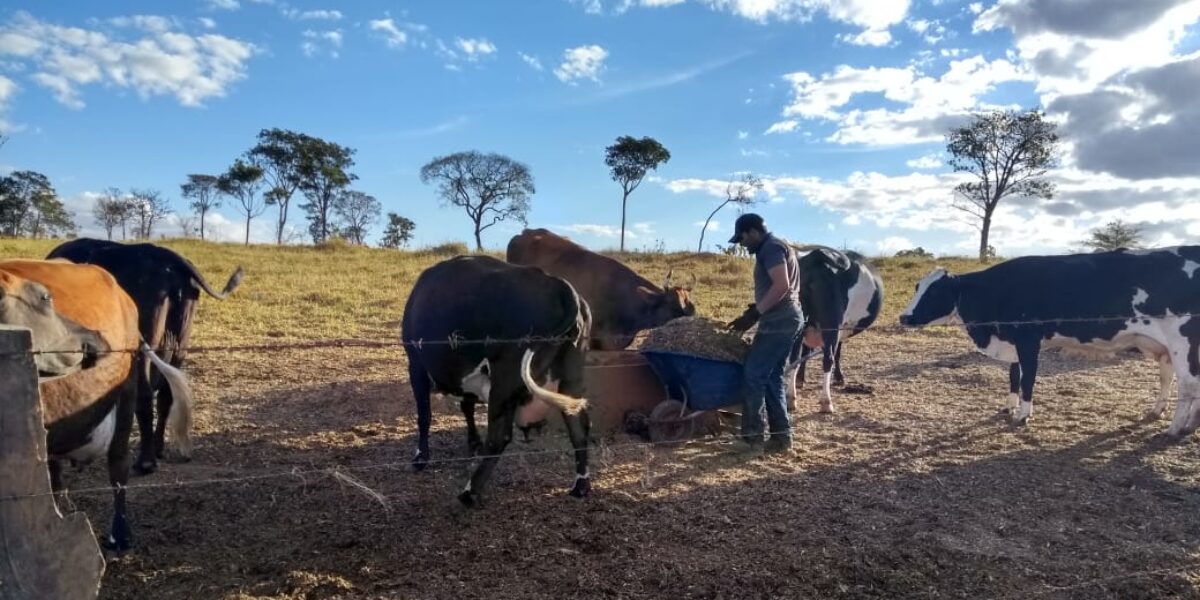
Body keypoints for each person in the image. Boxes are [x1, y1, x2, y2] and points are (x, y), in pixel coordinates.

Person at [726, 213, 803, 455]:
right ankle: (781, 439)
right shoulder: (777, 246)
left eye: (742, 238)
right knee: (772, 378)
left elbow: (782, 285)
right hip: (786, 317)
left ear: (753, 231)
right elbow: (779, 287)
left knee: (754, 374)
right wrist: (757, 308)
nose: (742, 244)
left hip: (779, 321)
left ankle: (752, 440)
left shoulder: (770, 248)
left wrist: (755, 313)